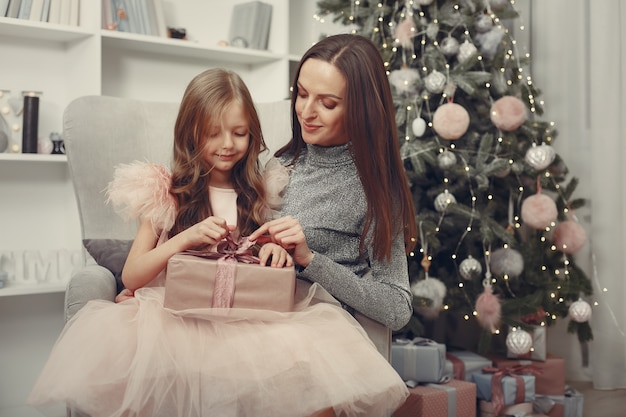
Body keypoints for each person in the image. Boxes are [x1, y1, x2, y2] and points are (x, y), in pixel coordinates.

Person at [27, 68, 409, 417]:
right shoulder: (168, 192)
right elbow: (132, 276)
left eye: (240, 133)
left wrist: (273, 250)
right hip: (174, 315)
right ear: (190, 132)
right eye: (213, 133)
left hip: (242, 318)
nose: (227, 144)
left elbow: (260, 254)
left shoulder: (260, 192)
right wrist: (185, 238)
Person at [250, 33, 418, 332]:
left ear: (360, 109)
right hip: (257, 311)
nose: (307, 112)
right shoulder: (283, 161)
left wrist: (310, 259)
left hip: (313, 331)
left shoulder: (374, 188)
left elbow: (397, 307)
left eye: (327, 103)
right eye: (302, 94)